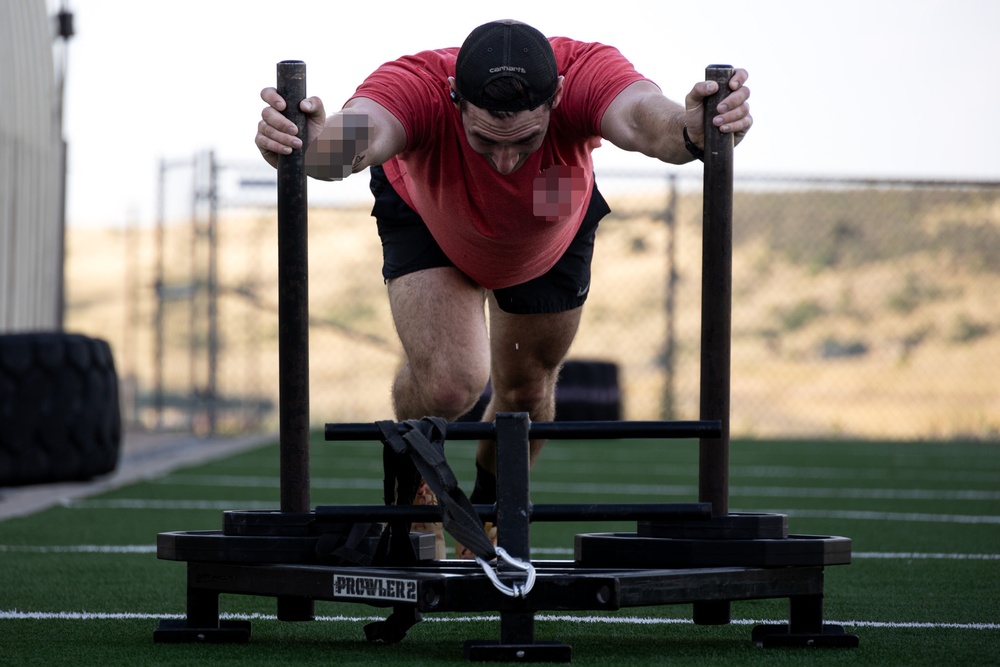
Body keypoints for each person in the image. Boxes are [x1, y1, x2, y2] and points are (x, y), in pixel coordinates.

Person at [256, 19, 752, 558]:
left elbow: (642, 120)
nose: (506, 161)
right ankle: (416, 493)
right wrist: (308, 146)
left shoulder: (585, 72)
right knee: (450, 384)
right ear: (455, 99)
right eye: (486, 140)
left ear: (557, 97)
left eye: (526, 140)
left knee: (526, 392)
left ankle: (491, 509)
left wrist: (691, 129)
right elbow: (357, 139)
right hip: (430, 205)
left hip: (550, 210)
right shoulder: (418, 85)